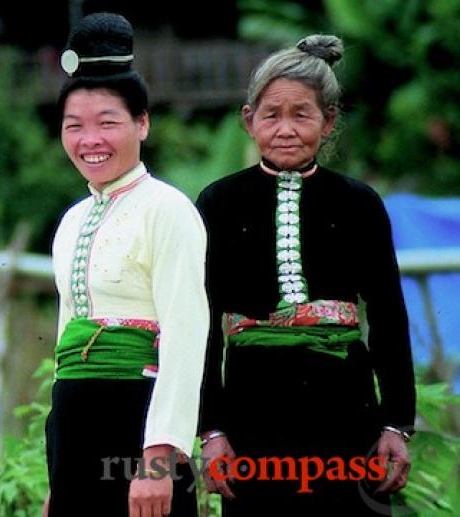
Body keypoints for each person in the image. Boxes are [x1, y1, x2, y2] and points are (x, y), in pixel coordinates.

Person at [197, 34, 416, 516]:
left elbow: (388, 317)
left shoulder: (359, 204)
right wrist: (211, 431)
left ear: (329, 120)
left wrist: (396, 424)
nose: (286, 129)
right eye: (272, 114)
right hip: (252, 409)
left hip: (345, 406)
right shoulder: (217, 203)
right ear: (248, 119)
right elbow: (202, 325)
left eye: (303, 114)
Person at [44, 12, 209, 517]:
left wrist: (158, 460)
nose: (89, 140)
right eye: (75, 127)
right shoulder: (71, 221)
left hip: (137, 424)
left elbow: (186, 335)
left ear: (142, 123)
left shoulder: (169, 209)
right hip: (74, 421)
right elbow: (65, 342)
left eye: (107, 123)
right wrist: (58, 476)